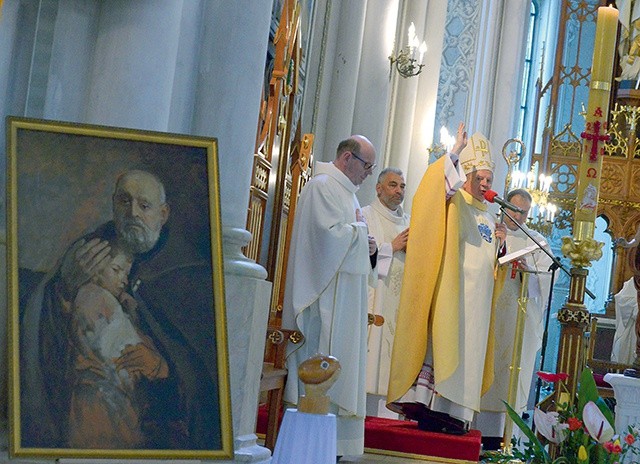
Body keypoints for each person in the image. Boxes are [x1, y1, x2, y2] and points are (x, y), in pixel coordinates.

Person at [21, 169, 221, 450]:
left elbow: (204, 375)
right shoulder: (89, 251)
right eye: (124, 202)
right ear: (114, 204)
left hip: (153, 422)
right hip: (92, 403)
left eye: (144, 205)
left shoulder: (188, 274)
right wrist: (64, 291)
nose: (133, 213)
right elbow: (43, 332)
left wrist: (162, 368)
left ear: (163, 214)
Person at [387, 127, 507, 434]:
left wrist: (501, 246)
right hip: (453, 296)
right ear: (464, 176)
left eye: (488, 180)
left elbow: (489, 260)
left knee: (469, 353)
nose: (483, 185)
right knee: (444, 348)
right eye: (478, 178)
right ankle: (433, 408)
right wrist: (455, 151)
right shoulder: (454, 203)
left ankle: (457, 415)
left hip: (476, 306)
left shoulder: (489, 216)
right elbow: (434, 190)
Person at [282, 135, 378, 459]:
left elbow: (350, 240)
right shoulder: (323, 186)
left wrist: (371, 248)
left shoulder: (348, 195)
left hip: (344, 302)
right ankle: (313, 450)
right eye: (367, 166)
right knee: (323, 367)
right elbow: (327, 240)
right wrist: (361, 235)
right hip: (323, 304)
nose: (368, 173)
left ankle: (331, 449)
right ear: (347, 158)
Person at [475, 188, 553, 447]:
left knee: (513, 375)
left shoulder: (538, 242)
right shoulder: (488, 230)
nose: (519, 218)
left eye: (525, 213)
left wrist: (526, 270)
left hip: (521, 319)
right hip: (492, 314)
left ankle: (508, 436)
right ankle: (476, 432)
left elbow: (546, 281)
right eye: (516, 210)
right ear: (505, 206)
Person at [68, 243, 150, 448]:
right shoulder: (94, 296)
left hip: (110, 388)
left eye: (127, 273)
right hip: (104, 390)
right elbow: (106, 347)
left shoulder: (103, 298)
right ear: (96, 269)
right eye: (116, 270)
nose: (124, 279)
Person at [361, 167, 410, 418]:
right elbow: (360, 257)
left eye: (402, 186)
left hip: (400, 302)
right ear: (378, 188)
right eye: (393, 185)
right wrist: (391, 247)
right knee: (371, 366)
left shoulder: (409, 221)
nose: (399, 191)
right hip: (376, 298)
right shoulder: (365, 216)